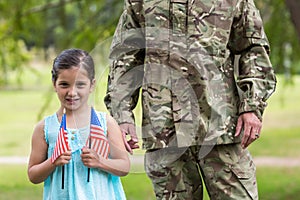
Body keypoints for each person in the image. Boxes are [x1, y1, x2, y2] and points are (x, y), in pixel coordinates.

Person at [105, 0, 277, 199]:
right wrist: (123, 114)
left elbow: (253, 49)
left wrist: (252, 106)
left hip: (220, 128)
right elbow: (125, 57)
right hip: (164, 132)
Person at [27, 48, 130, 200]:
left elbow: (124, 166)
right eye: (64, 85)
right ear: (54, 84)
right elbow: (33, 175)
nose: (72, 92)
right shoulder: (44, 128)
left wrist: (100, 161)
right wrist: (52, 162)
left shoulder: (105, 123)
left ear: (92, 85)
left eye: (80, 85)